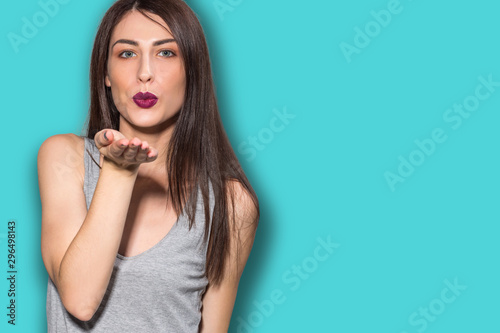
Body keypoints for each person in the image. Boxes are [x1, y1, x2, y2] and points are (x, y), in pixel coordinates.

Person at [37, 0, 260, 331]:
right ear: (106, 75)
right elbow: (80, 300)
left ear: (192, 70)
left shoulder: (230, 203)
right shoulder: (64, 158)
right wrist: (118, 171)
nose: (145, 73)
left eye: (166, 53)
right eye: (127, 53)